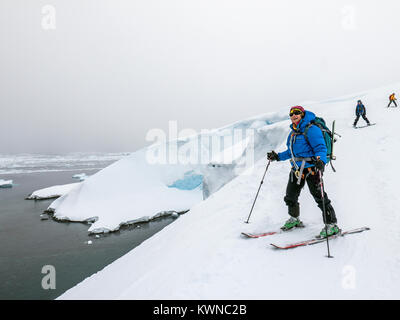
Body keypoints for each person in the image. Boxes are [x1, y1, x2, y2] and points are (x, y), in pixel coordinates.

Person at [267, 106, 339, 238]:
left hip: (312, 168)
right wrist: (277, 157)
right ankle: (295, 219)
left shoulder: (311, 129)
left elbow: (320, 147)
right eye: (291, 114)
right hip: (296, 169)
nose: (294, 116)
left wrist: (321, 161)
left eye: (297, 113)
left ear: (302, 114)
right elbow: (291, 152)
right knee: (290, 196)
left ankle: (332, 225)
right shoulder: (293, 133)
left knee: (320, 197)